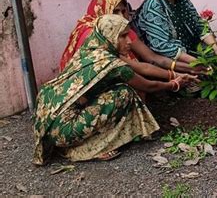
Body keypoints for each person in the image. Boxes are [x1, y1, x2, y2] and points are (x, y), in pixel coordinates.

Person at [33, 14, 195, 165]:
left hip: (46, 122)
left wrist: (175, 74)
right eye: (122, 36)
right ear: (110, 36)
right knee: (123, 93)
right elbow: (148, 85)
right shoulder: (113, 65)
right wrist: (174, 84)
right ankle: (92, 147)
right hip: (65, 130)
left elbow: (142, 67)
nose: (129, 42)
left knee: (111, 91)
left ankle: (71, 141)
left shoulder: (92, 49)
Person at [59, 0, 198, 75]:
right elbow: (139, 69)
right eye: (115, 11)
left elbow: (152, 58)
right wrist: (173, 78)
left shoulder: (122, 29)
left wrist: (192, 67)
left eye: (123, 11)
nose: (120, 16)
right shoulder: (92, 34)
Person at [133, 0, 217, 62]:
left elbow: (200, 26)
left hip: (189, 50)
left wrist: (215, 47)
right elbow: (161, 46)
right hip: (167, 59)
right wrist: (196, 63)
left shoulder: (183, 0)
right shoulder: (153, 5)